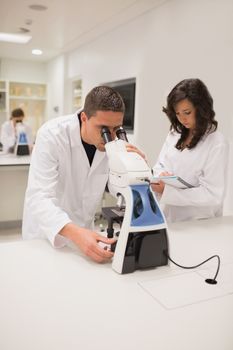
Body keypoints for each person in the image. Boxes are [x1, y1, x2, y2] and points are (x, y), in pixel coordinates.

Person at [22, 86, 144, 263]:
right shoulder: (51, 135)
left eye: (116, 128)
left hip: (85, 233)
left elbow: (114, 184)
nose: (109, 136)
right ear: (84, 118)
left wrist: (135, 170)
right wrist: (75, 233)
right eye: (103, 128)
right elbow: (39, 196)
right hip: (47, 234)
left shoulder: (114, 140)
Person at [151, 78, 229, 223]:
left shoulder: (217, 143)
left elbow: (212, 194)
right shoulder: (175, 134)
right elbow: (159, 166)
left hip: (199, 223)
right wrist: (161, 175)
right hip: (170, 218)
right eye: (178, 113)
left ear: (201, 109)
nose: (182, 119)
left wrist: (168, 191)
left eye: (187, 112)